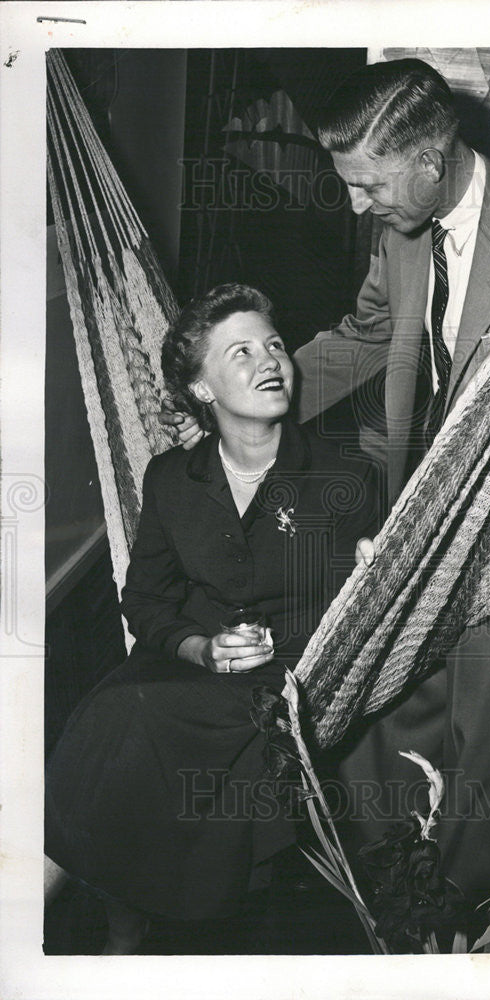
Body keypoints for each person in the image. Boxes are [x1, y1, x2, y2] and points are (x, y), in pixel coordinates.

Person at [163, 59, 490, 905]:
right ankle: (389, 897)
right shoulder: (401, 225)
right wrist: (236, 405)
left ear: (432, 160)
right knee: (390, 726)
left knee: (483, 788)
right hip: (415, 536)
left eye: (367, 184)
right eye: (348, 184)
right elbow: (367, 334)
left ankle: (451, 936)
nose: (356, 204)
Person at [45, 283, 379, 952]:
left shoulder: (346, 477)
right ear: (201, 390)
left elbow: (363, 619)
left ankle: (116, 915)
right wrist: (201, 648)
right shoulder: (172, 478)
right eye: (241, 352)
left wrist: (376, 570)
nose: (269, 361)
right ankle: (69, 907)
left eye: (274, 345)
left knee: (129, 721)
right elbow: (144, 601)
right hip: (183, 666)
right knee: (110, 716)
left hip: (286, 682)